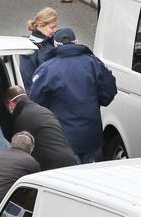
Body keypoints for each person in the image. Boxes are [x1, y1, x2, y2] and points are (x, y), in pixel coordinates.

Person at [30, 28, 118, 164]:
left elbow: (36, 103)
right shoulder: (93, 63)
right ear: (76, 42)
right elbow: (109, 90)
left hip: (62, 138)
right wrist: (96, 102)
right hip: (91, 136)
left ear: (55, 45)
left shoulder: (47, 69)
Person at [4, 86, 78, 170]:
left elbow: (21, 153)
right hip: (70, 159)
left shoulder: (22, 118)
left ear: (10, 104)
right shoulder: (43, 110)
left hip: (51, 166)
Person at [20, 7, 58, 94]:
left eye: (56, 27)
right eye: (52, 27)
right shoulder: (33, 48)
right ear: (40, 26)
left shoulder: (47, 42)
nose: (55, 30)